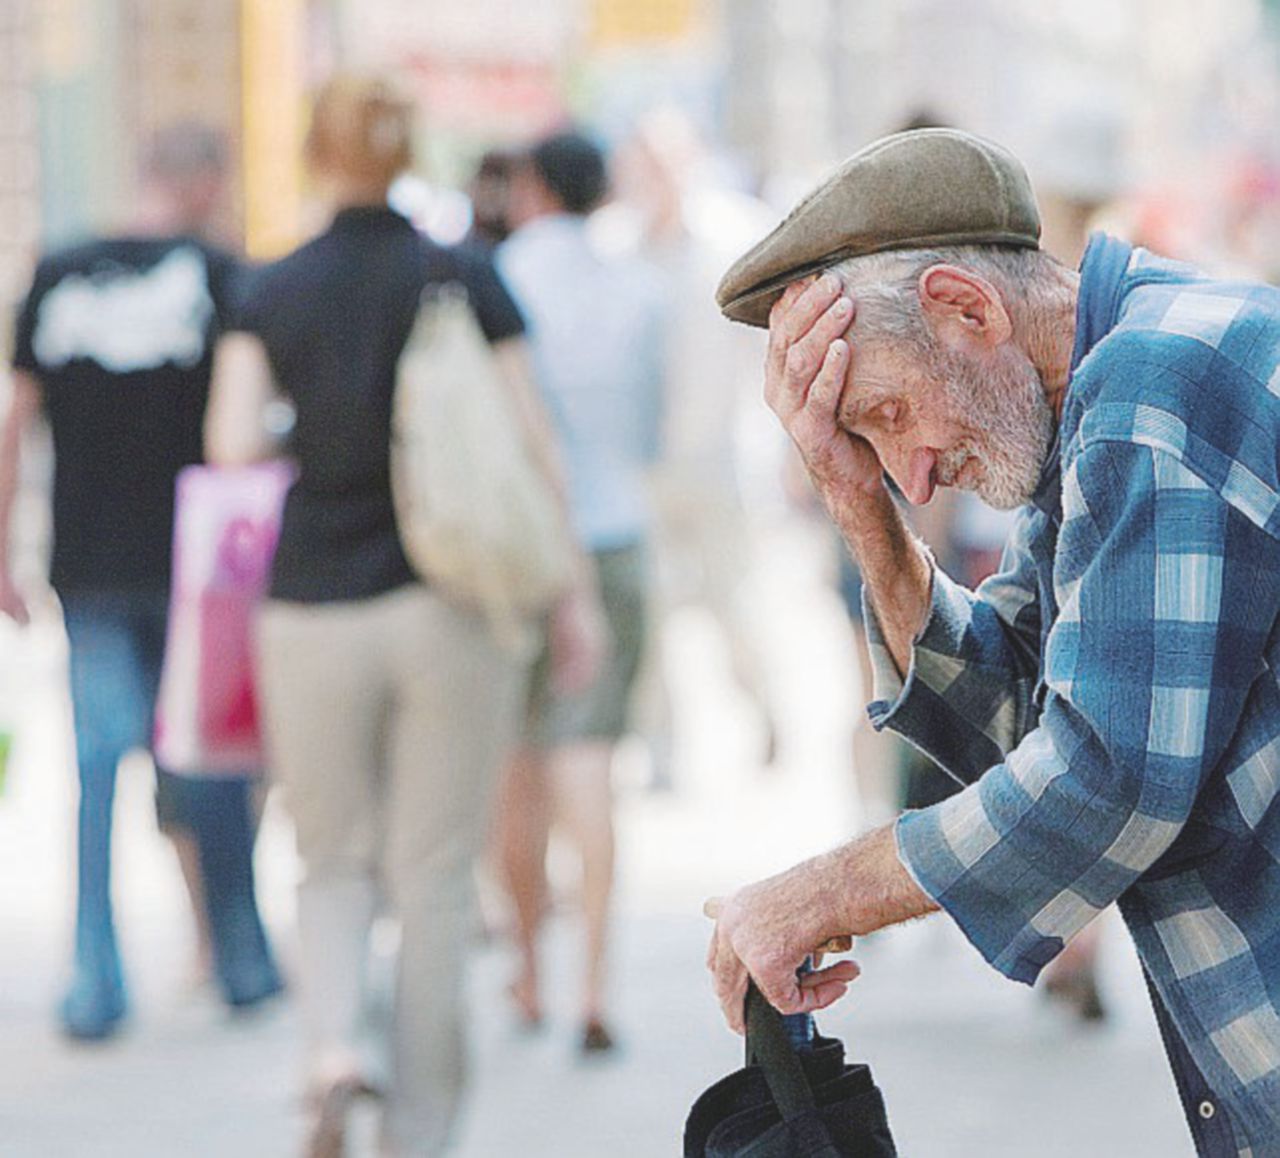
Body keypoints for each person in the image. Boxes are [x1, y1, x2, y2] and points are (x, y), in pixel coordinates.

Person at [705, 127, 1280, 1154]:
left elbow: (1101, 776)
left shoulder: (1150, 390)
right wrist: (854, 500)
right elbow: (1020, 724)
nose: (911, 477)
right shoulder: (1090, 403)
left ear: (965, 309)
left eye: (888, 413)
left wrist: (820, 896)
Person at [204, 77, 600, 1157]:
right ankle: (419, 1135)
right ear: (407, 150)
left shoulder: (269, 287)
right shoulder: (461, 275)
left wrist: (309, 427)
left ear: (310, 153)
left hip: (309, 611)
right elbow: (532, 446)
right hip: (447, 610)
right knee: (430, 878)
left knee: (328, 855)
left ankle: (334, 1048)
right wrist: (570, 594)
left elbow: (233, 443)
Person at [0, 124, 282, 1041]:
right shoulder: (219, 275)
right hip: (195, 570)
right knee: (206, 760)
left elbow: (14, 416)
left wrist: (2, 547)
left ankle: (95, 980)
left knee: (93, 770)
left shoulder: (58, 270)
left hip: (85, 565)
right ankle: (241, 959)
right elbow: (246, 430)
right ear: (203, 182)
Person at [492, 130, 667, 1053]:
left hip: (522, 549)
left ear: (530, 185)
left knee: (517, 768)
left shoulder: (501, 276)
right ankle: (596, 984)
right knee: (593, 759)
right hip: (618, 535)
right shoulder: (636, 286)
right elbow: (649, 430)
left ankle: (528, 970)